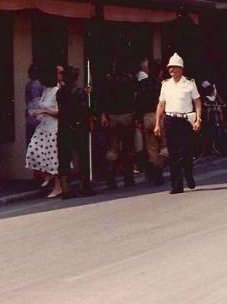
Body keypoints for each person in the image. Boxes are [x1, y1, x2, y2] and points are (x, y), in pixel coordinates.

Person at [154, 54, 202, 194]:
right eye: (170, 67)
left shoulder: (189, 84)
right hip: (170, 119)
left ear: (181, 69)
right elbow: (161, 104)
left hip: (185, 120)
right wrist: (157, 123)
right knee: (173, 153)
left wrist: (198, 119)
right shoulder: (166, 85)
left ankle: (188, 174)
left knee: (186, 151)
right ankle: (177, 185)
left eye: (174, 67)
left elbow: (197, 102)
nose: (171, 70)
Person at [98, 60, 137, 189]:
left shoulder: (108, 80)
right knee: (128, 147)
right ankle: (128, 177)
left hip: (113, 116)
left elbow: (103, 98)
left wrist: (104, 115)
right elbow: (134, 97)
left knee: (112, 147)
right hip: (127, 115)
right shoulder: (130, 79)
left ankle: (110, 178)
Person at [56, 66, 93, 199]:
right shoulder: (79, 92)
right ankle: (85, 186)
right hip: (78, 126)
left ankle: (66, 188)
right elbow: (83, 109)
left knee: (64, 158)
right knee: (83, 156)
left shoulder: (60, 92)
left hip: (64, 126)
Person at [25, 68, 61, 198]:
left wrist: (43, 112)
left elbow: (60, 112)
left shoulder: (57, 91)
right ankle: (48, 174)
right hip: (43, 126)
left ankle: (58, 186)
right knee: (33, 152)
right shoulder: (46, 90)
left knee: (54, 157)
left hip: (53, 128)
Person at [135, 59, 166, 185]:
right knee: (165, 145)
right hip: (162, 115)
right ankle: (159, 167)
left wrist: (138, 118)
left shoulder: (142, 84)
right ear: (160, 72)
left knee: (151, 147)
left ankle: (155, 170)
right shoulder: (164, 85)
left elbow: (138, 101)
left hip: (147, 116)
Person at [24, 63, 44, 147]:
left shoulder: (29, 85)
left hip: (31, 117)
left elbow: (28, 100)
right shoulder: (38, 84)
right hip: (38, 117)